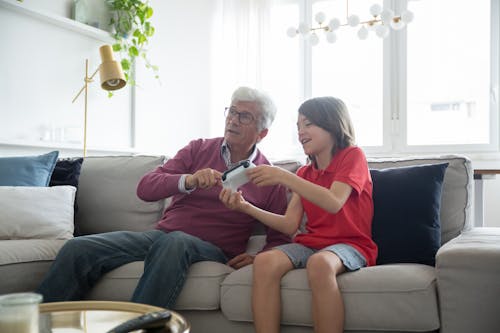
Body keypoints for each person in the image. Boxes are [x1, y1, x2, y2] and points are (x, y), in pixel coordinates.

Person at [37, 86, 290, 308]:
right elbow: (146, 188)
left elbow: (281, 234)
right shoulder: (198, 148)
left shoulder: (269, 177)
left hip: (214, 249)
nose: (232, 120)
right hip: (160, 237)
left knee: (175, 242)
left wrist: (259, 257)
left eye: (244, 116)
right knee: (77, 248)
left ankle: (140, 328)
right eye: (231, 111)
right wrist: (188, 180)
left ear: (262, 132)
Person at [219, 96, 377, 333]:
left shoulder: (353, 156)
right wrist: (245, 206)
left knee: (321, 264)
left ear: (332, 124)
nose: (301, 132)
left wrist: (284, 176)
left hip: (351, 244)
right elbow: (289, 225)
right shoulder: (304, 172)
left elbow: (334, 202)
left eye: (308, 124)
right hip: (311, 244)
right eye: (298, 126)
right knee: (265, 260)